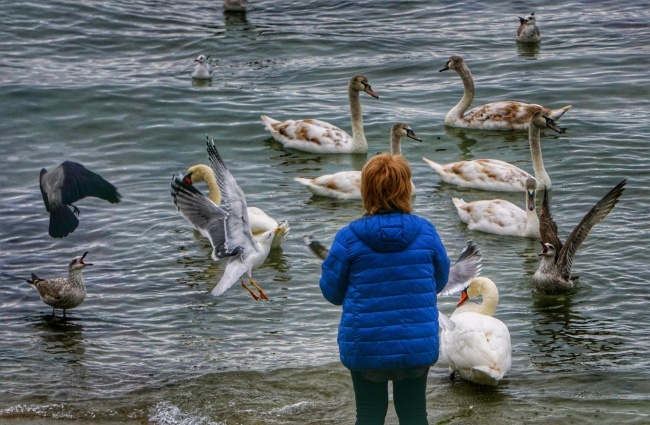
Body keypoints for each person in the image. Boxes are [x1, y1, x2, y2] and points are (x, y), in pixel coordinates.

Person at [320, 153, 451, 425]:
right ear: (406, 188)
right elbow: (438, 282)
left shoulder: (349, 237)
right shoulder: (426, 232)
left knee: (368, 416)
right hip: (416, 343)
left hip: (366, 345)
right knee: (414, 415)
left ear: (366, 189)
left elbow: (331, 293)